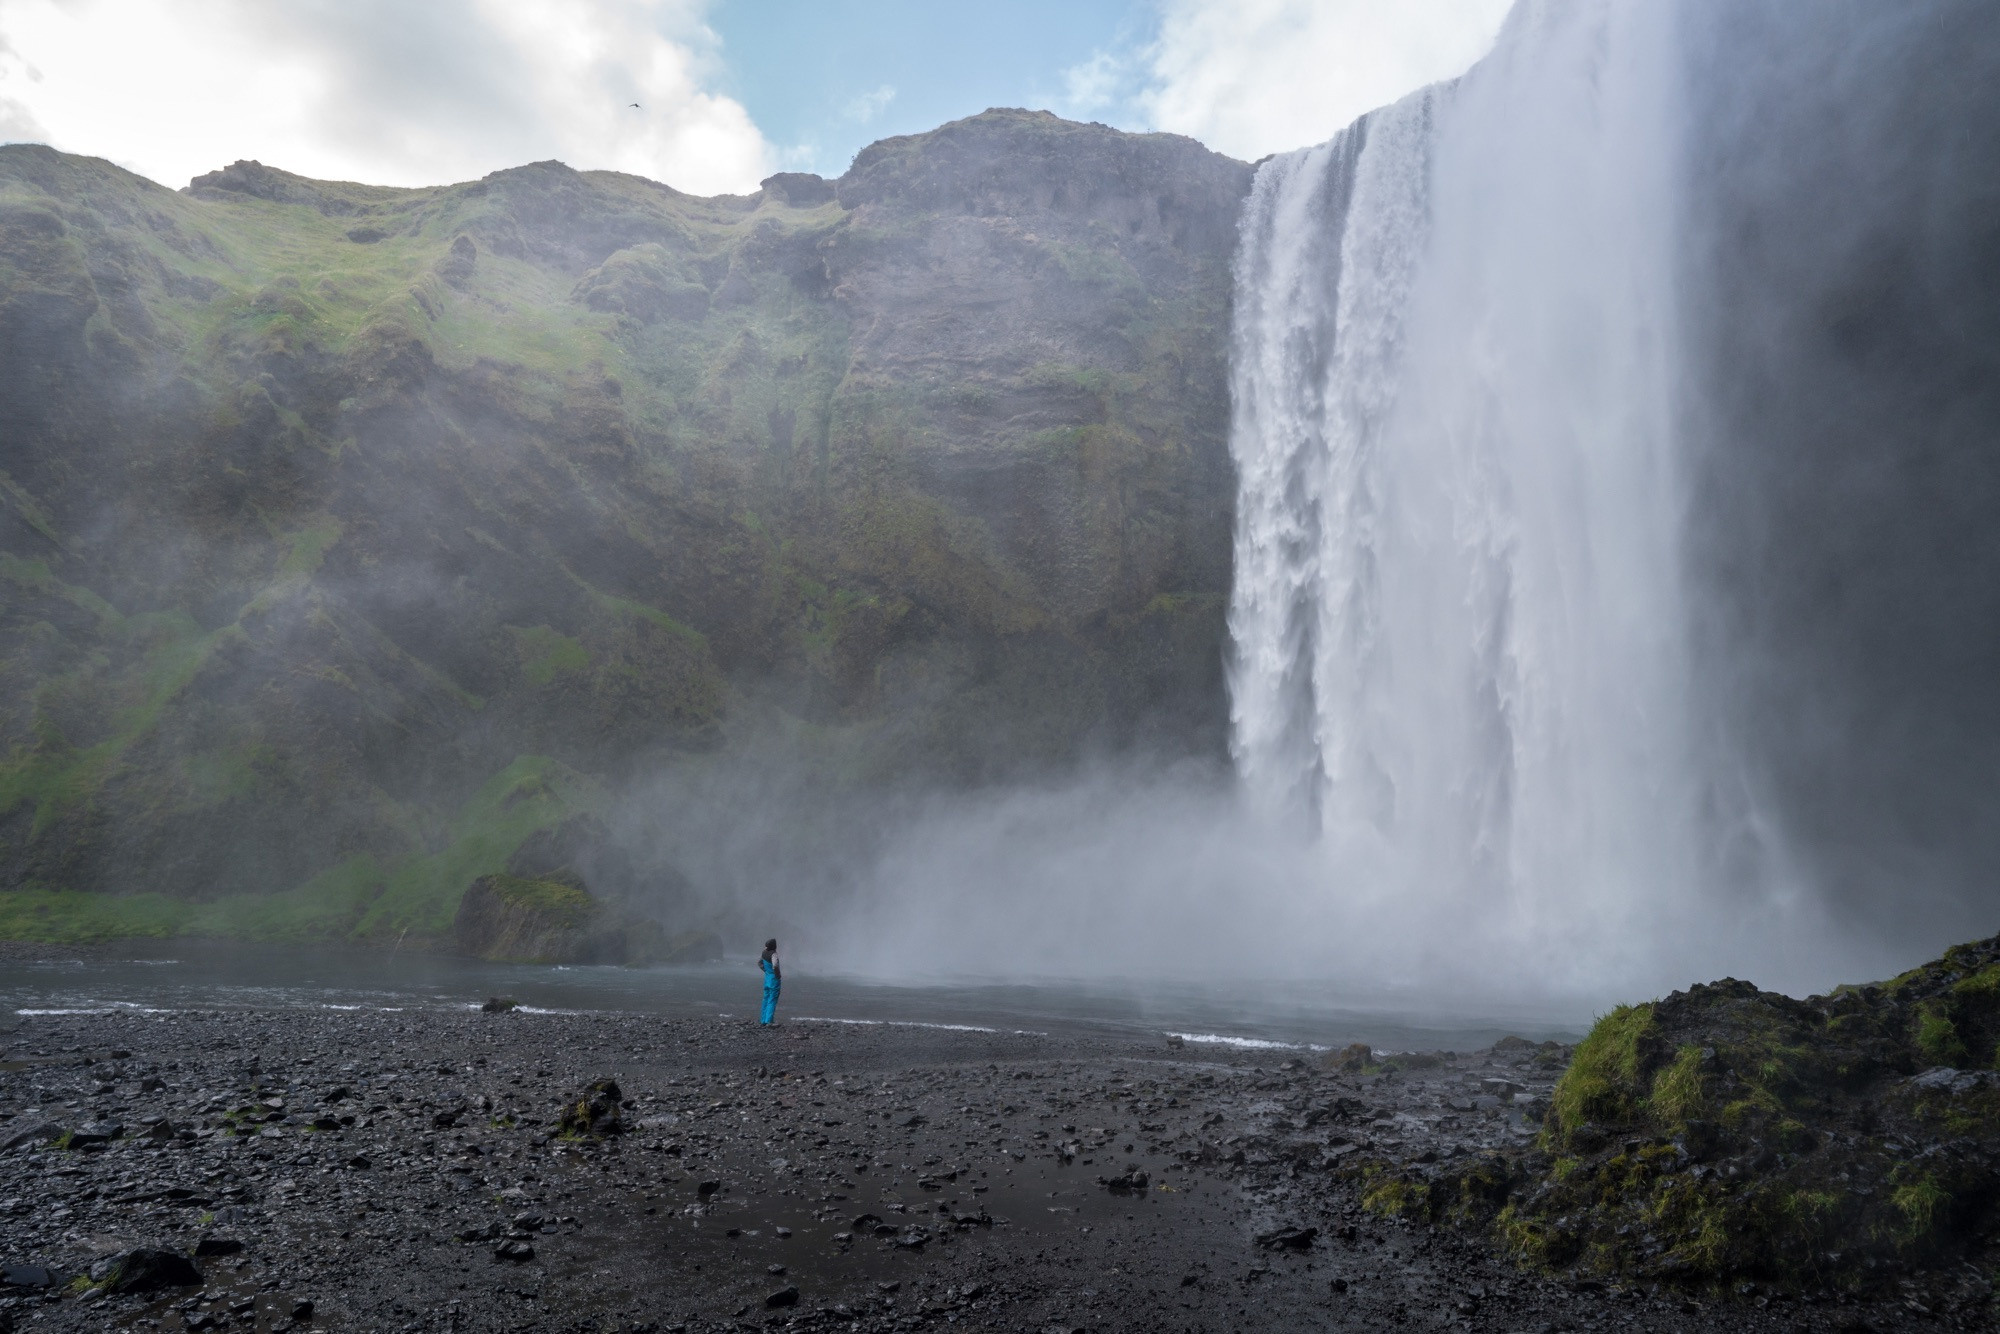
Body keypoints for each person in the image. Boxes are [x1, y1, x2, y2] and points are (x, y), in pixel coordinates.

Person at [759, 938, 781, 1026]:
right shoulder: (774, 954)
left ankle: (763, 1020)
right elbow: (775, 965)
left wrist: (765, 970)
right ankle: (769, 1020)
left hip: (767, 977)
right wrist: (777, 975)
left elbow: (759, 963)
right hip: (773, 979)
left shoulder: (763, 952)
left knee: (765, 998)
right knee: (772, 999)